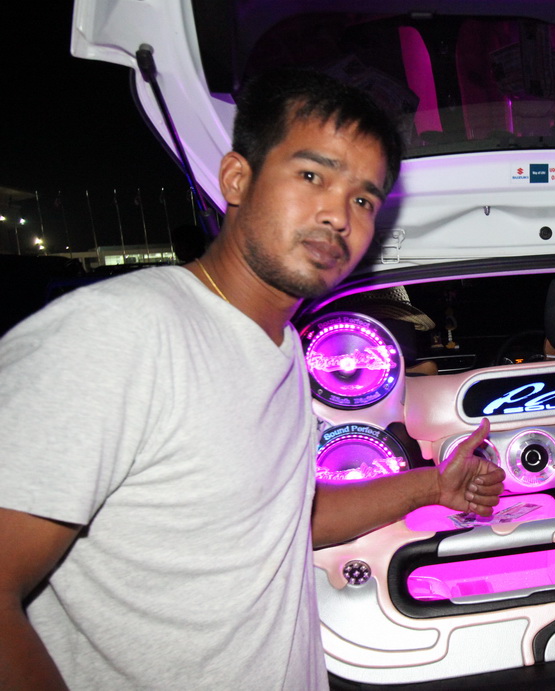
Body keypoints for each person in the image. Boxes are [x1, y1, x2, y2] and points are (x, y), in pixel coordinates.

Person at [0, 69, 504, 689]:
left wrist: (431, 486)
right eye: (312, 175)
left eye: (364, 200)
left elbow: (283, 520)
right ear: (237, 178)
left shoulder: (283, 347)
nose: (338, 215)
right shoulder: (117, 333)